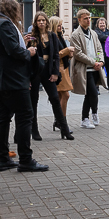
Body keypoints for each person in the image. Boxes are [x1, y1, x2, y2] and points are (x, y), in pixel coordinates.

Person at [0, 0, 49, 172]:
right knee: (25, 116)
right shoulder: (5, 24)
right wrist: (29, 51)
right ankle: (26, 159)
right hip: (12, 79)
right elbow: (14, 52)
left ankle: (3, 158)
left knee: (2, 118)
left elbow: (0, 50)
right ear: (12, 9)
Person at [30, 11, 75, 140]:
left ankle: (64, 129)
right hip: (35, 71)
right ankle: (35, 130)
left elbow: (56, 55)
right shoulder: (33, 36)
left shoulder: (52, 36)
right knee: (34, 100)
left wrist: (55, 73)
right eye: (39, 20)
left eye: (43, 20)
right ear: (36, 22)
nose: (41, 22)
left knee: (55, 98)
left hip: (48, 71)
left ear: (47, 22)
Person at [70, 9, 107, 129]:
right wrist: (93, 62)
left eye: (89, 18)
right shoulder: (75, 34)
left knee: (89, 94)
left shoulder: (93, 33)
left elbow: (99, 49)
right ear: (79, 19)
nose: (88, 20)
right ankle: (92, 114)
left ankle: (85, 118)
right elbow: (78, 53)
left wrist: (100, 61)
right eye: (85, 18)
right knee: (93, 93)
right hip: (85, 68)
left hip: (95, 68)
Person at [49, 16, 75, 122]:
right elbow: (54, 55)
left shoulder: (60, 36)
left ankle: (58, 119)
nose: (61, 27)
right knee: (65, 95)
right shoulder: (51, 37)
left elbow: (62, 53)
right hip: (58, 69)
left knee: (60, 96)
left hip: (63, 68)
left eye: (61, 25)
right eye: (58, 25)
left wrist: (69, 54)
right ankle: (62, 120)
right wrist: (67, 50)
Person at [95, 17, 109, 90]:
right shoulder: (95, 32)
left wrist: (106, 39)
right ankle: (96, 88)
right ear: (97, 24)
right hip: (98, 54)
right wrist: (107, 39)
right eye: (100, 23)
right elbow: (100, 37)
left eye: (103, 23)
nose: (102, 25)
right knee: (97, 71)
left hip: (108, 54)